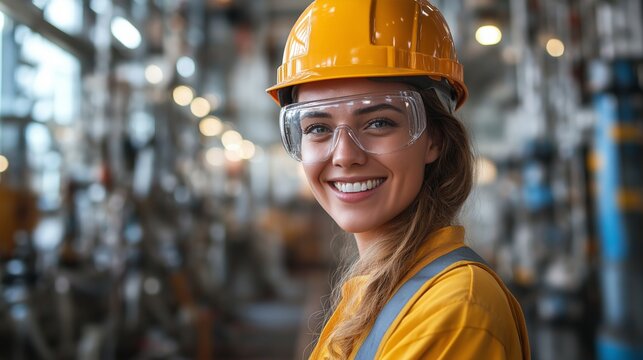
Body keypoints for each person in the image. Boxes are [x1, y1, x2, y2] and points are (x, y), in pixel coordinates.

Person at [266, 0, 530, 359]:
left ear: (434, 139)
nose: (344, 155)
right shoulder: (375, 290)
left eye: (378, 122)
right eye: (317, 128)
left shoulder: (455, 310)